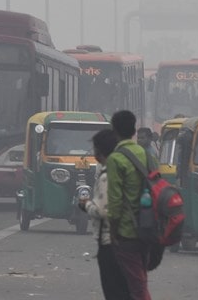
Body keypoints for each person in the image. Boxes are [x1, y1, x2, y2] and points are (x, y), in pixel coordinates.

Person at [106, 110, 154, 300]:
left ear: (114, 131)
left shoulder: (116, 159)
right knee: (139, 276)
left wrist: (112, 232)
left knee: (135, 283)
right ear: (134, 130)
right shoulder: (145, 154)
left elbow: (115, 201)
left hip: (127, 231)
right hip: (149, 226)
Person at [80, 128, 130, 300]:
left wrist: (87, 205)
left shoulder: (107, 175)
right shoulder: (126, 169)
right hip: (129, 238)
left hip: (110, 242)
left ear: (99, 151)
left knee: (113, 291)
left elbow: (103, 210)